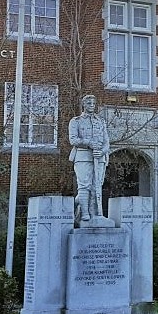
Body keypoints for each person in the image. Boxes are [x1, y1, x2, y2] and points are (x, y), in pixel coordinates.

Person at [68, 94, 110, 222]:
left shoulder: (100, 121)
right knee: (84, 185)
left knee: (96, 186)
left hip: (99, 158)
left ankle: (96, 213)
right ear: (83, 105)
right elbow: (73, 140)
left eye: (93, 103)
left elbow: (107, 142)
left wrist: (102, 152)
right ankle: (85, 214)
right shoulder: (76, 121)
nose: (92, 106)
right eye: (89, 103)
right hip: (82, 156)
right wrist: (89, 142)